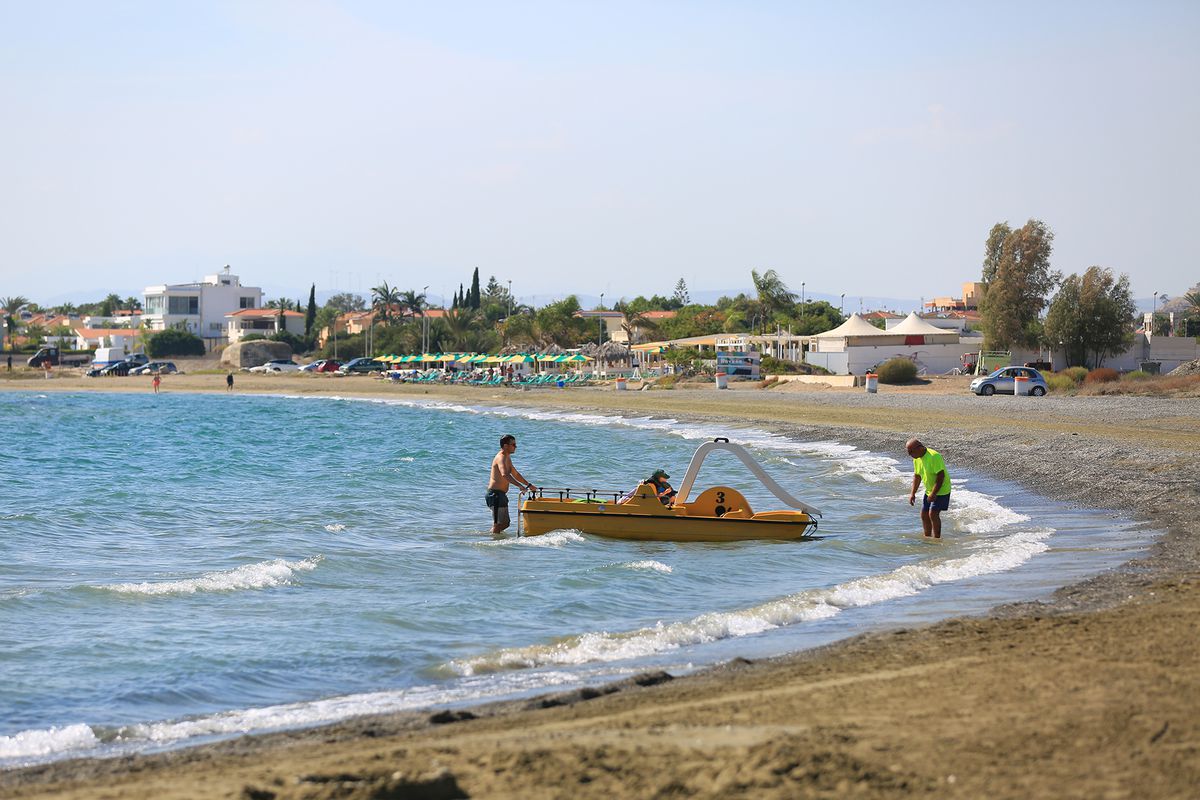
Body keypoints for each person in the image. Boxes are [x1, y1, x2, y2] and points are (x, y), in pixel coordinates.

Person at [487, 434, 535, 534]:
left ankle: (492, 535)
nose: (515, 447)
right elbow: (505, 475)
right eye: (513, 444)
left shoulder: (507, 457)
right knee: (498, 524)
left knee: (506, 523)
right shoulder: (501, 457)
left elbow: (515, 474)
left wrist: (528, 485)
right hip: (495, 495)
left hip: (501, 495)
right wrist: (520, 486)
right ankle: (493, 543)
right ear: (505, 446)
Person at [906, 438, 952, 538]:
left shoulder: (934, 456)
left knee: (933, 514)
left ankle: (936, 539)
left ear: (920, 448)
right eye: (908, 452)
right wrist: (912, 493)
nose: (909, 454)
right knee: (924, 514)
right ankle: (927, 537)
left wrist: (934, 493)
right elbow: (917, 476)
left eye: (911, 451)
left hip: (942, 489)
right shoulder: (916, 459)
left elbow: (941, 476)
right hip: (929, 490)